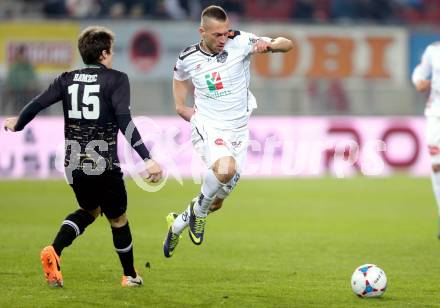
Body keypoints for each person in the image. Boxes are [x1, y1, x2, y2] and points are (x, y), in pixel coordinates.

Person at [3, 26, 163, 287]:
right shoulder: (116, 79)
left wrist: (18, 123)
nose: (112, 56)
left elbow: (37, 103)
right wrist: (147, 157)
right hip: (103, 162)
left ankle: (54, 251)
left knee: (90, 209)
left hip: (73, 163)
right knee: (118, 219)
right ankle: (130, 276)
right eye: (110, 51)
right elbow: (125, 122)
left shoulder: (66, 78)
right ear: (103, 53)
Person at [163, 5, 293, 257]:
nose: (224, 39)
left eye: (226, 33)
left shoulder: (241, 40)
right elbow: (179, 77)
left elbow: (287, 44)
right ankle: (198, 213)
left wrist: (272, 46)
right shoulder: (188, 57)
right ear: (202, 32)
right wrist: (180, 106)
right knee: (225, 169)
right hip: (209, 124)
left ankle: (177, 224)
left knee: (217, 200)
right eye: (217, 35)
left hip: (239, 130)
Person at [412, 41, 440, 239]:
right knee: (437, 164)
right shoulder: (433, 51)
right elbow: (420, 72)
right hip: (436, 114)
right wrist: (419, 81)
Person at [4, 45, 39, 114]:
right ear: (18, 55)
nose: (23, 57)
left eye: (24, 55)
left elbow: (33, 79)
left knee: (41, 96)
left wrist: (32, 85)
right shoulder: (14, 67)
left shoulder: (29, 67)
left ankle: (39, 115)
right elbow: (10, 80)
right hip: (16, 90)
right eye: (21, 55)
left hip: (28, 91)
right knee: (14, 96)